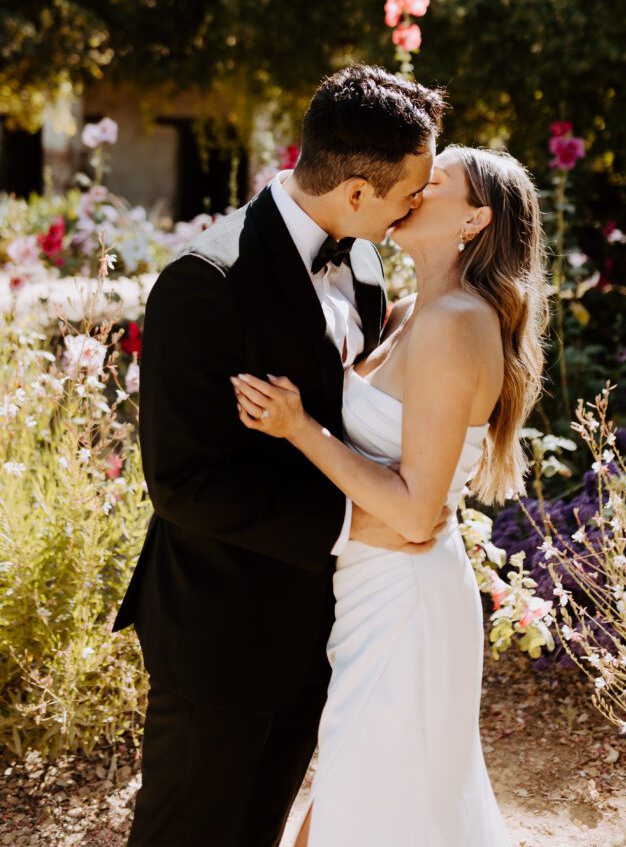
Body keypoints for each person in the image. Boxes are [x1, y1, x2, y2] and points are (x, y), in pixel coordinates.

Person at [112, 63, 448, 846]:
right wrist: (349, 524)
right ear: (357, 192)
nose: (417, 205)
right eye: (411, 190)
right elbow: (184, 483)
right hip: (222, 630)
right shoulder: (205, 282)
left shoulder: (361, 258)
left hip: (323, 628)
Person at [232, 143, 549, 847]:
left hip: (404, 600)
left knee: (365, 819)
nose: (409, 188)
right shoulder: (410, 309)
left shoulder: (455, 324)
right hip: (369, 591)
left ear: (473, 221)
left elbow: (411, 513)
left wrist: (297, 427)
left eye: (431, 182)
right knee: (365, 813)